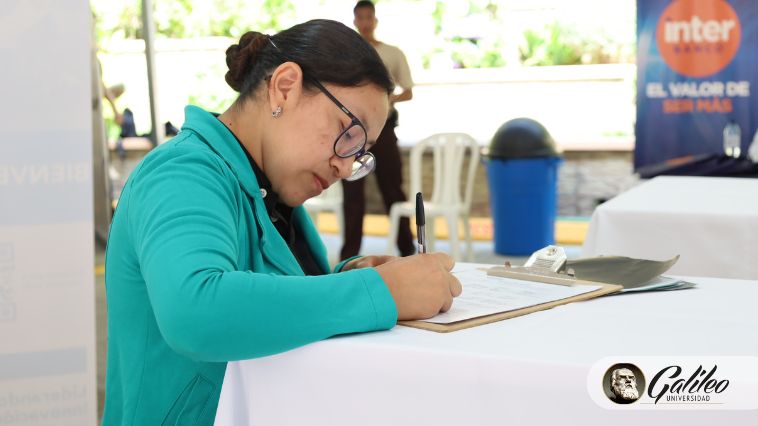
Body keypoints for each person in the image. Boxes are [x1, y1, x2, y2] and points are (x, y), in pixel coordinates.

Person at [102, 19, 462, 425]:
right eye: (349, 133)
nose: (346, 167)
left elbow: (269, 303)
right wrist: (378, 291)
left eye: (360, 152)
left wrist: (350, 275)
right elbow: (194, 309)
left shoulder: (266, 189)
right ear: (285, 87)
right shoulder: (182, 173)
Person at [340, 0, 416, 260]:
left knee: (393, 189)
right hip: (352, 131)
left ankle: (407, 250)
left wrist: (383, 101)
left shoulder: (392, 53)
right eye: (360, 18)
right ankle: (349, 255)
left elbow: (408, 91)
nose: (364, 22)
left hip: (384, 129)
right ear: (354, 21)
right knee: (352, 193)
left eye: (368, 17)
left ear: (375, 20)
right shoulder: (345, 55)